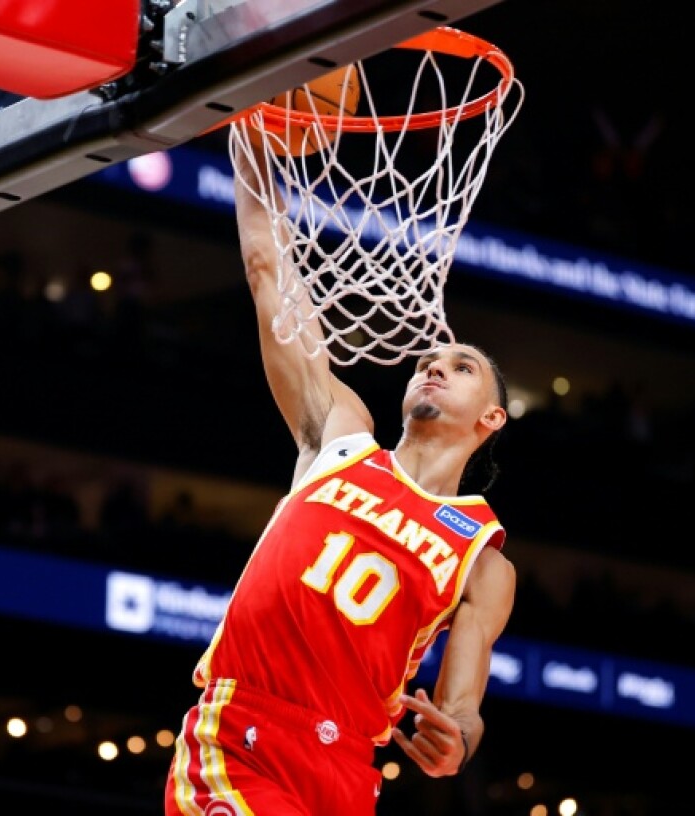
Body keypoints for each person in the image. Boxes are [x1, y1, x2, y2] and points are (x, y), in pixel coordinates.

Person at [163, 133, 517, 816]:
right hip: (246, 737)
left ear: (492, 419)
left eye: (461, 366)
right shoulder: (343, 437)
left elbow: (463, 709)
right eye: (428, 361)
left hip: (347, 771)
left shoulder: (481, 559)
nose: (434, 366)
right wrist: (251, 138)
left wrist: (458, 745)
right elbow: (268, 268)